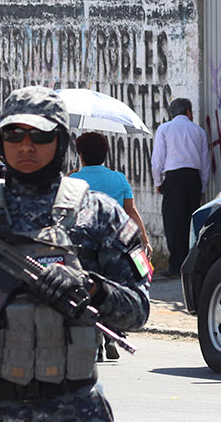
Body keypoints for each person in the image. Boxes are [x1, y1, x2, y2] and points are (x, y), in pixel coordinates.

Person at [0, 86, 151, 422]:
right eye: (14, 133)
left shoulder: (99, 214)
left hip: (74, 408)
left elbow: (138, 312)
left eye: (39, 135)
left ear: (61, 141)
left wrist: (91, 287)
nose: (25, 145)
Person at [72, 131, 152, 362]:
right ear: (106, 154)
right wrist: (144, 240)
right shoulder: (119, 179)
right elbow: (131, 211)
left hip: (83, 246)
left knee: (89, 290)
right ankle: (112, 334)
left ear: (80, 155)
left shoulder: (72, 181)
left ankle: (96, 339)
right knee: (112, 289)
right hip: (115, 246)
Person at [151, 98, 210, 278]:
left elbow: (157, 160)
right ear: (188, 112)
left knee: (173, 223)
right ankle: (193, 264)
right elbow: (205, 163)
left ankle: (176, 266)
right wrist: (202, 186)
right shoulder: (199, 131)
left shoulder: (164, 129)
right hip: (193, 179)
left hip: (174, 178)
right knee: (191, 222)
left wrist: (158, 182)